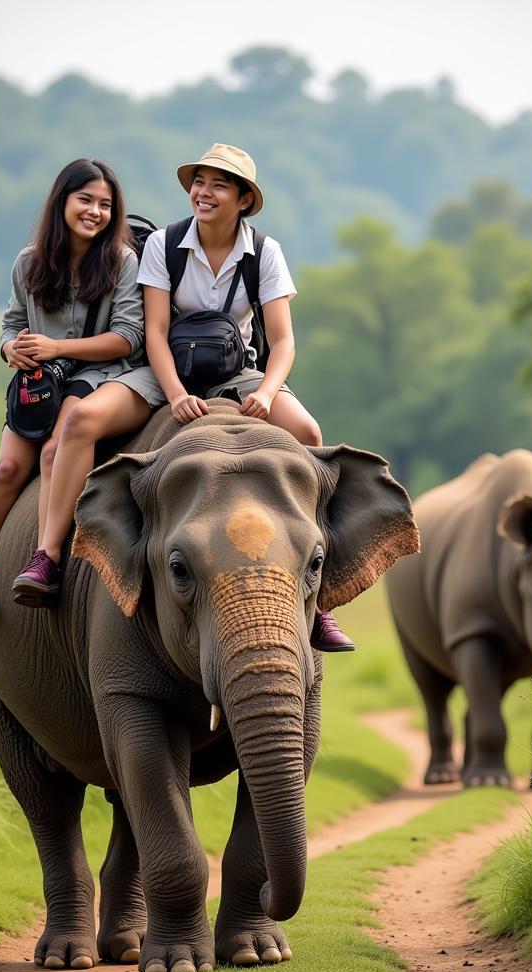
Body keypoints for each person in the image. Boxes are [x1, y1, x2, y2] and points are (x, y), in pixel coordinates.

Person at [132, 142, 355, 653]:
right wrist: (175, 395)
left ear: (243, 199)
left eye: (218, 185)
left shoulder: (265, 252)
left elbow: (282, 341)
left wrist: (268, 392)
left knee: (308, 433)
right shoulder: (163, 247)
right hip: (169, 372)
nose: (203, 193)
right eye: (199, 182)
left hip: (239, 373)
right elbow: (155, 332)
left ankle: (322, 600)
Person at [0, 157, 150, 615]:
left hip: (99, 376)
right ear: (62, 201)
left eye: (105, 205)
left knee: (51, 454)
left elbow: (127, 338)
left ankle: (45, 561)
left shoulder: (122, 261)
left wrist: (57, 349)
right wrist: (11, 350)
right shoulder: (28, 263)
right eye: (85, 199)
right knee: (5, 471)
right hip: (39, 386)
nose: (95, 212)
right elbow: (11, 324)